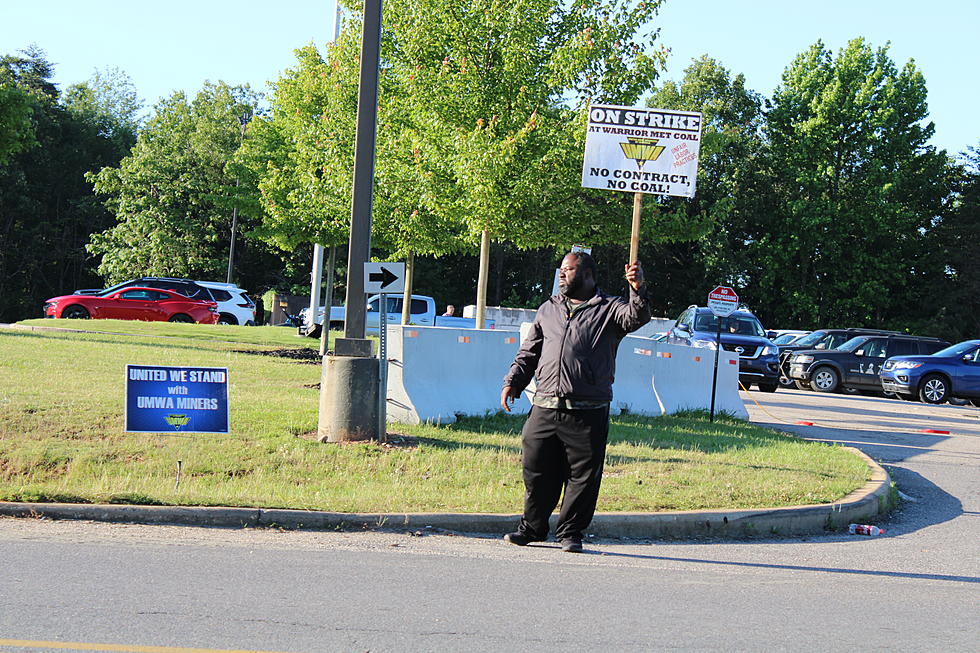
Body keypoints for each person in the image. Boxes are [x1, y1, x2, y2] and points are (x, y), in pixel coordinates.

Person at [500, 252, 650, 553]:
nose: (562, 275)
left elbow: (636, 317)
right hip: (544, 406)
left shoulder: (610, 309)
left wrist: (637, 289)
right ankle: (532, 528)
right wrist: (513, 382)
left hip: (587, 410)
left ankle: (570, 533)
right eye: (561, 270)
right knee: (536, 470)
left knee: (582, 477)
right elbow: (529, 353)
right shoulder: (548, 309)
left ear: (589, 275)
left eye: (569, 270)